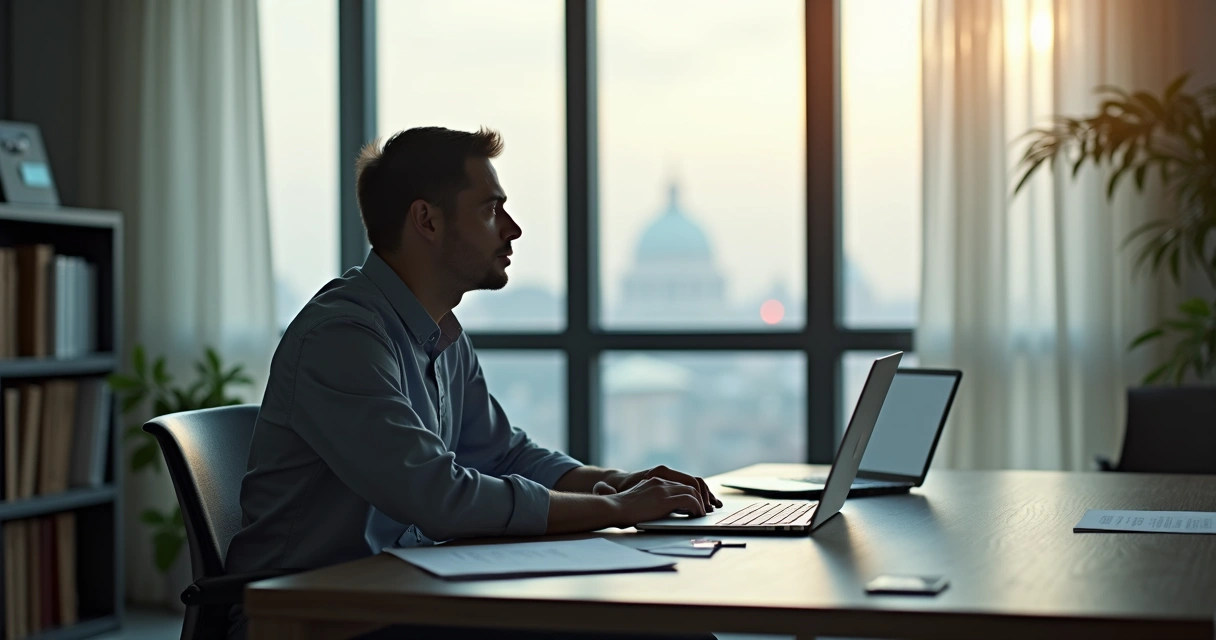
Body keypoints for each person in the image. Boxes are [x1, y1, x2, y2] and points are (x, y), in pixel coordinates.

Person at [225, 126, 722, 639]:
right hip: (311, 617)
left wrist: (621, 482)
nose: (513, 228)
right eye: (490, 210)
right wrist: (616, 509)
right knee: (651, 631)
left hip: (404, 592)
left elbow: (505, 456)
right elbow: (439, 498)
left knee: (663, 625)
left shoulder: (439, 332)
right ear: (427, 220)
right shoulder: (342, 337)